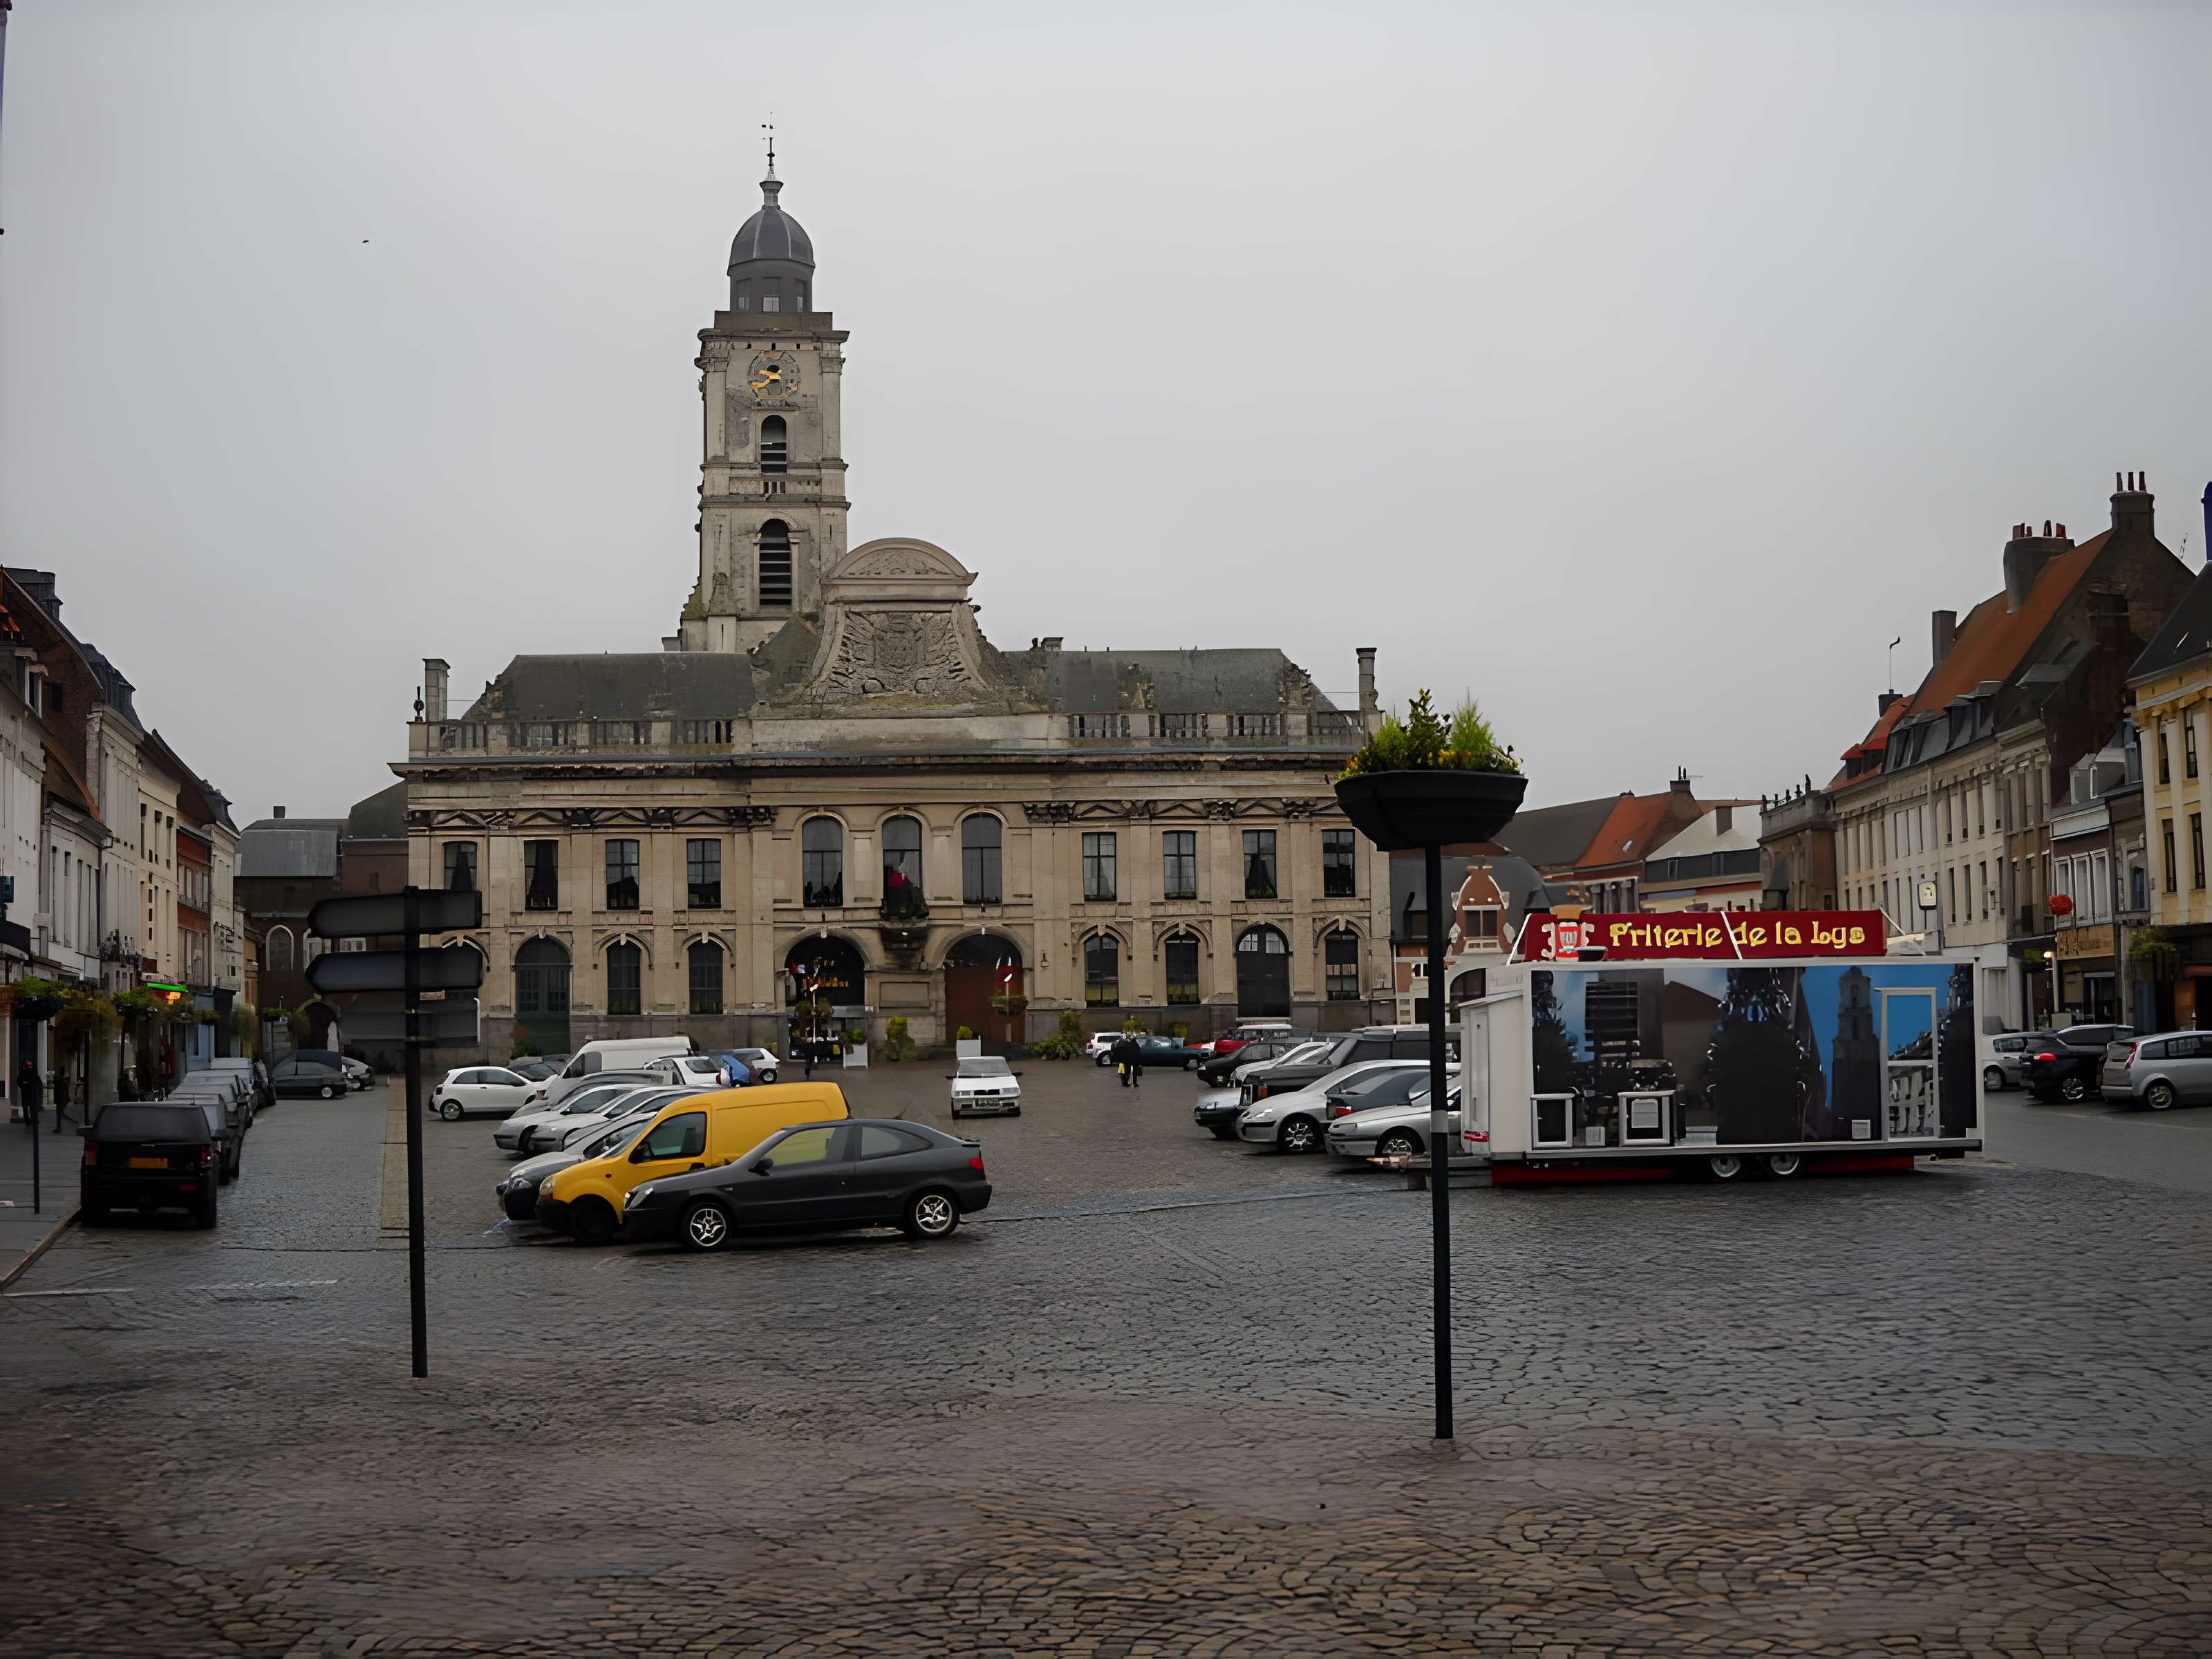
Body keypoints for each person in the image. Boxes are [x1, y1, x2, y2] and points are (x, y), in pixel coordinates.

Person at [17, 1060, 42, 1130]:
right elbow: (19, 1082)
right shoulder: (24, 1073)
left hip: (30, 1093)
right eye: (28, 1065)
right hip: (27, 1093)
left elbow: (39, 1083)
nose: (29, 1067)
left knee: (31, 1107)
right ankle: (29, 1121)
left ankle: (30, 1120)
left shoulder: (31, 1073)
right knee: (28, 1107)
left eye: (30, 1066)